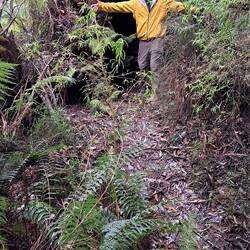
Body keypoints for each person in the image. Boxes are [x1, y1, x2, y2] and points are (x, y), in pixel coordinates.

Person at [91, 0, 191, 100]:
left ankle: (157, 95)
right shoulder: (136, 3)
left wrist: (194, 9)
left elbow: (179, 7)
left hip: (157, 38)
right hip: (143, 40)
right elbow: (119, 6)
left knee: (155, 66)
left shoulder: (163, 2)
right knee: (142, 65)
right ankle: (150, 90)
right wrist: (101, 6)